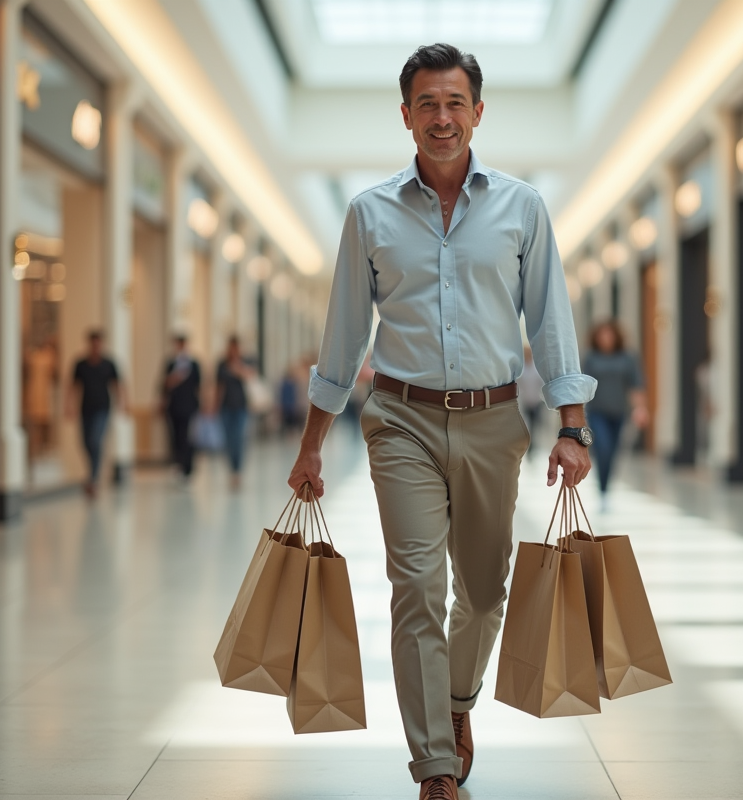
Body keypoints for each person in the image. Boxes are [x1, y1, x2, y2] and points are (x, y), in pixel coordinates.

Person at [287, 44, 595, 800]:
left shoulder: (522, 207)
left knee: (485, 592)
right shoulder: (369, 214)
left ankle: (456, 702)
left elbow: (550, 319)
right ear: (406, 117)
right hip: (401, 421)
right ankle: (434, 766)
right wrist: (312, 447)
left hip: (495, 423)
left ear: (478, 113)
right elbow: (343, 338)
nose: (442, 117)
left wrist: (573, 425)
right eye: (427, 104)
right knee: (417, 586)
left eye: (455, 103)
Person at [582, 321, 646, 508]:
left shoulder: (628, 357)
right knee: (603, 448)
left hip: (619, 413)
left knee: (613, 452)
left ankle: (606, 489)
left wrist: (640, 409)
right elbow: (582, 384)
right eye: (602, 335)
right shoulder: (591, 358)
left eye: (609, 335)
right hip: (597, 412)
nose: (606, 339)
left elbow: (636, 385)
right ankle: (602, 490)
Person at [67, 330, 124, 498]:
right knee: (85, 443)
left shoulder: (109, 364)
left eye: (98, 343)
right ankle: (93, 473)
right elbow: (73, 386)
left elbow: (118, 384)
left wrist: (122, 403)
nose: (96, 347)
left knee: (95, 440)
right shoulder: (81, 364)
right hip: (85, 409)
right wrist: (68, 405)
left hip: (103, 409)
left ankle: (93, 478)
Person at [215, 336, 253, 488]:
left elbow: (250, 376)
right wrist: (214, 406)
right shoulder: (222, 364)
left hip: (241, 407)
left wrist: (238, 368)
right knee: (228, 440)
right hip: (225, 407)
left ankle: (237, 470)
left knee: (238, 439)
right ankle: (231, 469)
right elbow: (219, 386)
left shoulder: (245, 361)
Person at [162, 335, 201, 482]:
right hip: (174, 406)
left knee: (187, 437)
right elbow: (164, 385)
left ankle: (188, 467)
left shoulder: (194, 364)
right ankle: (178, 464)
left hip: (190, 406)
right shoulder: (171, 364)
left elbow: (198, 385)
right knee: (175, 437)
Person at [516, 345, 543, 459]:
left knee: (534, 425)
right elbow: (518, 383)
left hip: (536, 402)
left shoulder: (535, 368)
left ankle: (533, 446)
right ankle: (528, 446)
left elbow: (541, 383)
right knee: (527, 425)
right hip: (526, 401)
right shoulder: (522, 369)